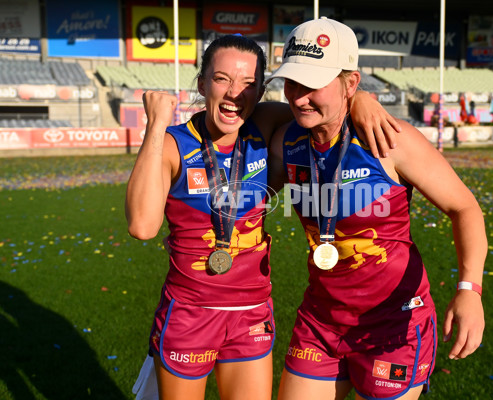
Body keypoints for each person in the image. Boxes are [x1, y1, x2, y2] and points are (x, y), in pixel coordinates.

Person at [125, 34, 401, 400]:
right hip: (191, 312)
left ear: (259, 92)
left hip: (252, 313)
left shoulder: (265, 124)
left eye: (248, 84)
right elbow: (142, 226)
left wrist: (360, 98)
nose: (234, 94)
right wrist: (156, 126)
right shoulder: (175, 144)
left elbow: (325, 107)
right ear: (202, 83)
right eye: (222, 79)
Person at [267, 18, 487, 400]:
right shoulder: (285, 140)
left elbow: (464, 208)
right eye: (291, 83)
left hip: (393, 325)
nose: (298, 97)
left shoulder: (390, 141)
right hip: (321, 321)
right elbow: (243, 117)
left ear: (350, 82)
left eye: (312, 84)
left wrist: (470, 289)